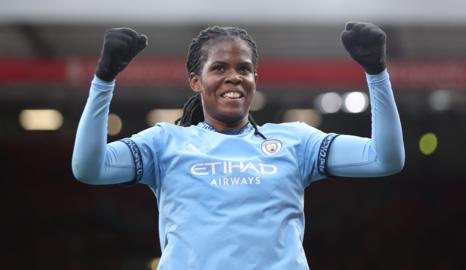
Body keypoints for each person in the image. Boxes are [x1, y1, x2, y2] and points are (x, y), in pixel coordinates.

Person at [72, 22, 405, 269]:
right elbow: (90, 168)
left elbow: (383, 159)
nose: (234, 77)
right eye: (219, 68)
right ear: (195, 81)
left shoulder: (296, 141)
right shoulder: (164, 143)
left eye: (244, 69)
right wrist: (104, 80)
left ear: (255, 79)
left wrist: (376, 73)